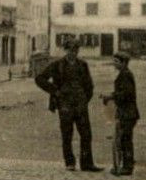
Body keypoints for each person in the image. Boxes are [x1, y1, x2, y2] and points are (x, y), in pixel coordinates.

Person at [35, 39, 100, 172]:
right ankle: (70, 163)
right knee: (67, 134)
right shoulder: (57, 65)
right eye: (71, 50)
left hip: (80, 104)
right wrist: (55, 92)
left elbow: (89, 85)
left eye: (76, 50)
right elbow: (40, 78)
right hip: (65, 104)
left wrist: (85, 98)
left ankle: (87, 164)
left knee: (86, 134)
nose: (73, 53)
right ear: (65, 50)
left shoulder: (83, 65)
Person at [101, 51, 140, 176]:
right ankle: (126, 165)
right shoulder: (124, 74)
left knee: (125, 140)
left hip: (128, 113)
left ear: (124, 63)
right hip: (126, 112)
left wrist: (110, 97)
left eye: (116, 62)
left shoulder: (125, 75)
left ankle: (127, 167)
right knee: (124, 139)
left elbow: (126, 94)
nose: (114, 63)